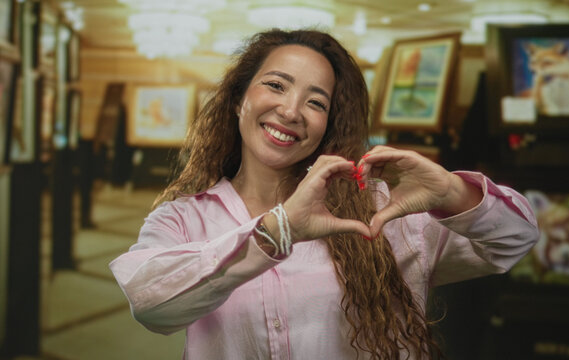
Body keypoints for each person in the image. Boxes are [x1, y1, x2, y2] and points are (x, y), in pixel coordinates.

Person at [109, 29, 539, 360]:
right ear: (239, 100)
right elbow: (150, 305)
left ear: (327, 125)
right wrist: (276, 232)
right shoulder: (184, 218)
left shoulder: (379, 210)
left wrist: (449, 190)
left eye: (316, 103)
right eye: (276, 85)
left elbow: (516, 239)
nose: (292, 111)